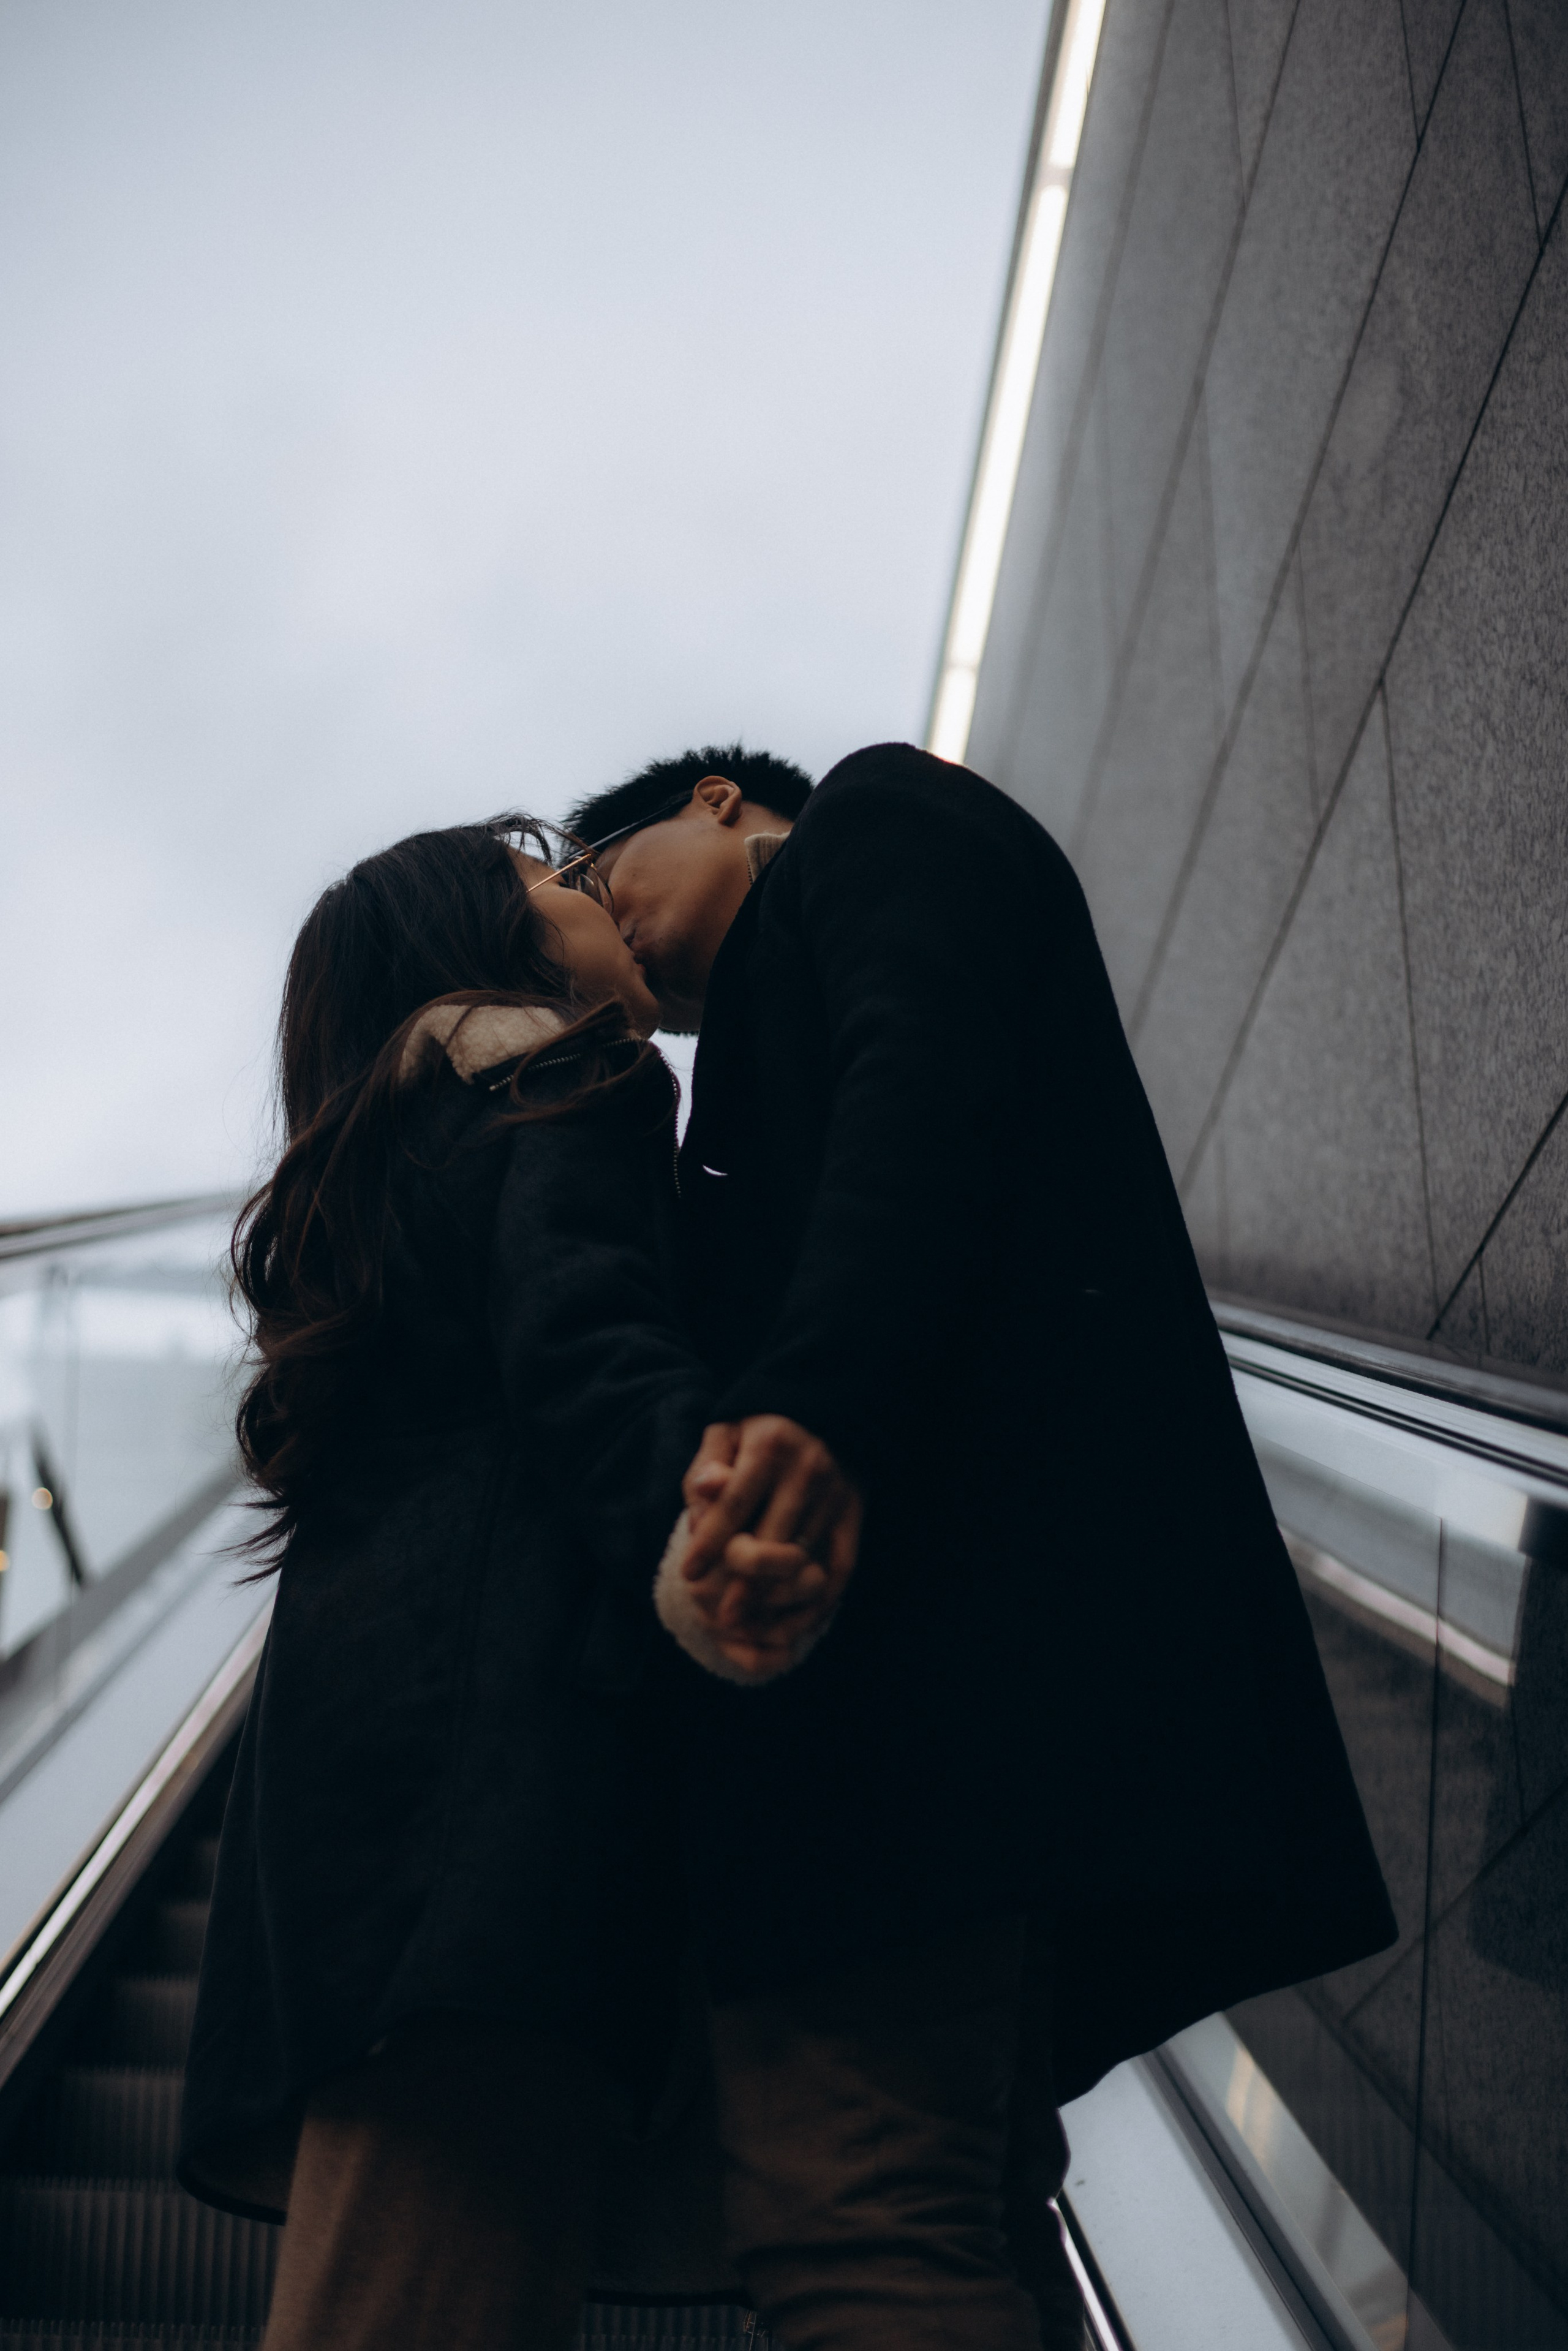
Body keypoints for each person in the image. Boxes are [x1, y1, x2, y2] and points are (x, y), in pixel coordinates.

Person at [561, 736, 1399, 2351]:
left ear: (718, 802)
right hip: (975, 1703)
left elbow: (921, 1073)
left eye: (602, 877)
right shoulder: (754, 1056)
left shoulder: (876, 815)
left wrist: (814, 1397)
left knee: (850, 2215)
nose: (618, 944)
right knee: (964, 2214)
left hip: (927, 1693)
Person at [179, 814, 850, 2349]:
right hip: (500, 1818)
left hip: (381, 1830)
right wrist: (715, 1536)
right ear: (494, 946)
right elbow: (590, 1345)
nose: (592, 889)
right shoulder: (555, 1082)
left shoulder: (396, 1156)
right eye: (554, 878)